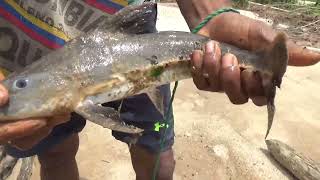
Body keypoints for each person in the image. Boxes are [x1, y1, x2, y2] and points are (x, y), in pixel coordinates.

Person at [0, 0, 317, 180]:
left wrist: (210, 12)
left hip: (136, 45)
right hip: (24, 48)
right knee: (54, 153)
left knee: (158, 156)